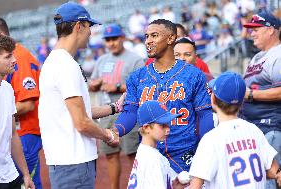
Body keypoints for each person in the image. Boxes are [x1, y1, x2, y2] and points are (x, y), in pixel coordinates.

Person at [110, 19, 214, 173]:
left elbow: (205, 115)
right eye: (146, 36)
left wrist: (208, 147)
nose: (148, 41)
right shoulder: (137, 77)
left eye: (154, 35)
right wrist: (116, 130)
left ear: (171, 38)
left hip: (184, 153)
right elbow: (130, 112)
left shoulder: (193, 74)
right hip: (150, 153)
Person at [38, 2, 120, 188]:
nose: (91, 32)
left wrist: (114, 107)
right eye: (89, 26)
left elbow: (78, 112)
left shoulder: (53, 61)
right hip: (74, 162)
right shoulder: (66, 65)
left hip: (65, 161)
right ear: (79, 26)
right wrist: (107, 135)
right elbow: (82, 122)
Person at [189, 71, 281, 189]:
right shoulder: (254, 130)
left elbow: (195, 185)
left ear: (213, 99)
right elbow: (273, 170)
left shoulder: (211, 139)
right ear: (242, 102)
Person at [89, 23, 144, 189]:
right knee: (111, 155)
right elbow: (92, 83)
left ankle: (138, 185)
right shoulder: (101, 60)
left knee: (132, 155)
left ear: (122, 38)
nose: (111, 43)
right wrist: (95, 84)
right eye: (108, 40)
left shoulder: (135, 59)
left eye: (114, 38)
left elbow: (142, 85)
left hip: (128, 113)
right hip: (105, 112)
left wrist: (118, 87)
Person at [0, 16, 45, 189]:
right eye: (8, 56)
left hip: (26, 132)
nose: (13, 60)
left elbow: (27, 104)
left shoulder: (21, 59)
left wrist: (25, 173)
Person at [240, 11, 281, 189]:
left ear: (271, 30)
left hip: (270, 127)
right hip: (254, 128)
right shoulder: (257, 57)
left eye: (256, 29)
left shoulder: (278, 54)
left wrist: (250, 95)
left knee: (269, 183)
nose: (252, 33)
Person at [127, 100, 187, 189]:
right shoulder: (153, 160)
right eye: (162, 125)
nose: (168, 129)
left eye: (168, 124)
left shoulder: (143, 151)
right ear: (147, 128)